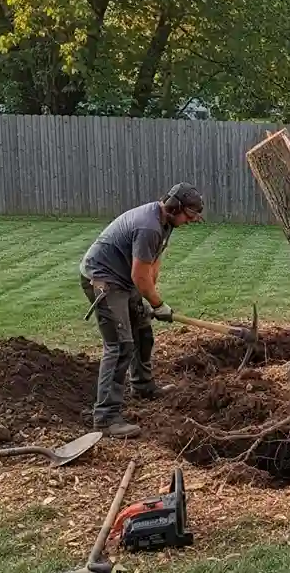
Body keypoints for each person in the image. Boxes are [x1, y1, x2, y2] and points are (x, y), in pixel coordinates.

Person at [79, 183, 205, 438]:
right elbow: (139, 274)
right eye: (189, 216)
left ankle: (143, 386)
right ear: (174, 208)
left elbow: (152, 265)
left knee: (143, 333)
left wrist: (151, 301)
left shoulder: (165, 223)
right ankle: (105, 417)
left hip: (124, 281)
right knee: (120, 346)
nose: (191, 221)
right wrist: (158, 304)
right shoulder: (148, 226)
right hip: (103, 280)